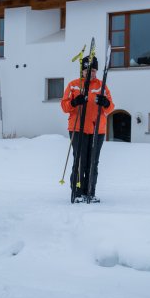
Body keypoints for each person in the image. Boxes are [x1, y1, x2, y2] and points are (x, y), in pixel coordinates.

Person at [61, 56, 114, 203]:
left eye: (94, 71)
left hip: (97, 129)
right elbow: (64, 106)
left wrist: (105, 103)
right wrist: (75, 102)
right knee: (79, 160)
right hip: (77, 128)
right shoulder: (74, 85)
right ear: (82, 70)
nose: (91, 73)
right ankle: (77, 192)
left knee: (92, 162)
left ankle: (90, 191)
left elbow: (110, 107)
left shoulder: (102, 86)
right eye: (87, 70)